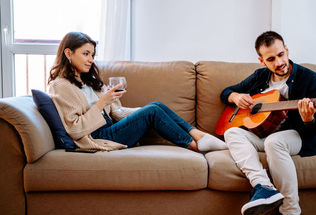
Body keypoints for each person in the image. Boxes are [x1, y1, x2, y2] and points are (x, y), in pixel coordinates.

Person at [221, 31, 316, 215]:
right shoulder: (260, 76)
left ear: (287, 50)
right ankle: (263, 187)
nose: (279, 62)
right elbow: (226, 92)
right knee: (232, 132)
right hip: (264, 134)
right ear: (262, 60)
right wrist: (236, 96)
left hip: (298, 135)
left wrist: (308, 119)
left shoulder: (309, 78)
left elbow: (314, 129)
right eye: (271, 59)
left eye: (280, 55)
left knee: (274, 141)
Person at [48, 32, 227, 152]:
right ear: (69, 53)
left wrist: (117, 103)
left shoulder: (86, 80)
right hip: (97, 136)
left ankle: (199, 136)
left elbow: (115, 113)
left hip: (110, 126)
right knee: (152, 110)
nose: (91, 60)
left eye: (92, 55)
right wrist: (103, 101)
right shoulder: (60, 86)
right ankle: (196, 146)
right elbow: (75, 129)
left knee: (155, 106)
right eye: (86, 54)